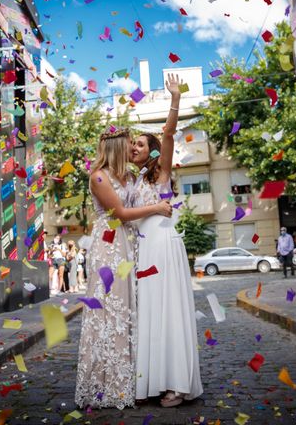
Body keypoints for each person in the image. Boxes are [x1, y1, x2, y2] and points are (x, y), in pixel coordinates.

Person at [75, 127, 172, 410]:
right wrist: (156, 208)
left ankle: (133, 381)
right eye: (129, 144)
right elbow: (119, 213)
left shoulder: (130, 176)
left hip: (131, 245)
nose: (132, 149)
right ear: (117, 147)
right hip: (109, 247)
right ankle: (107, 385)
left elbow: (155, 172)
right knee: (110, 309)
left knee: (130, 311)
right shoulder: (99, 176)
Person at [130, 73, 203, 408]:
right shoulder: (127, 181)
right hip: (143, 252)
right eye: (132, 144)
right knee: (150, 315)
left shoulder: (161, 174)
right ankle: (152, 382)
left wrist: (175, 98)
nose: (134, 147)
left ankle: (176, 384)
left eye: (140, 144)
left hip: (164, 247)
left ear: (153, 151)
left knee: (169, 313)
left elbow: (169, 133)